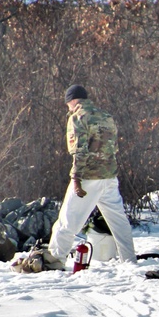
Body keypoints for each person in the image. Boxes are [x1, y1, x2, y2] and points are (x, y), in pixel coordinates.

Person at [48, 85, 137, 264]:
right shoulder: (106, 117)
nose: (68, 108)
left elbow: (79, 151)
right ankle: (129, 259)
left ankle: (54, 260)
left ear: (72, 101)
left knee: (67, 221)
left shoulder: (78, 118)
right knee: (118, 222)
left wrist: (76, 179)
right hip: (109, 177)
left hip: (88, 178)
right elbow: (114, 148)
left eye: (68, 104)